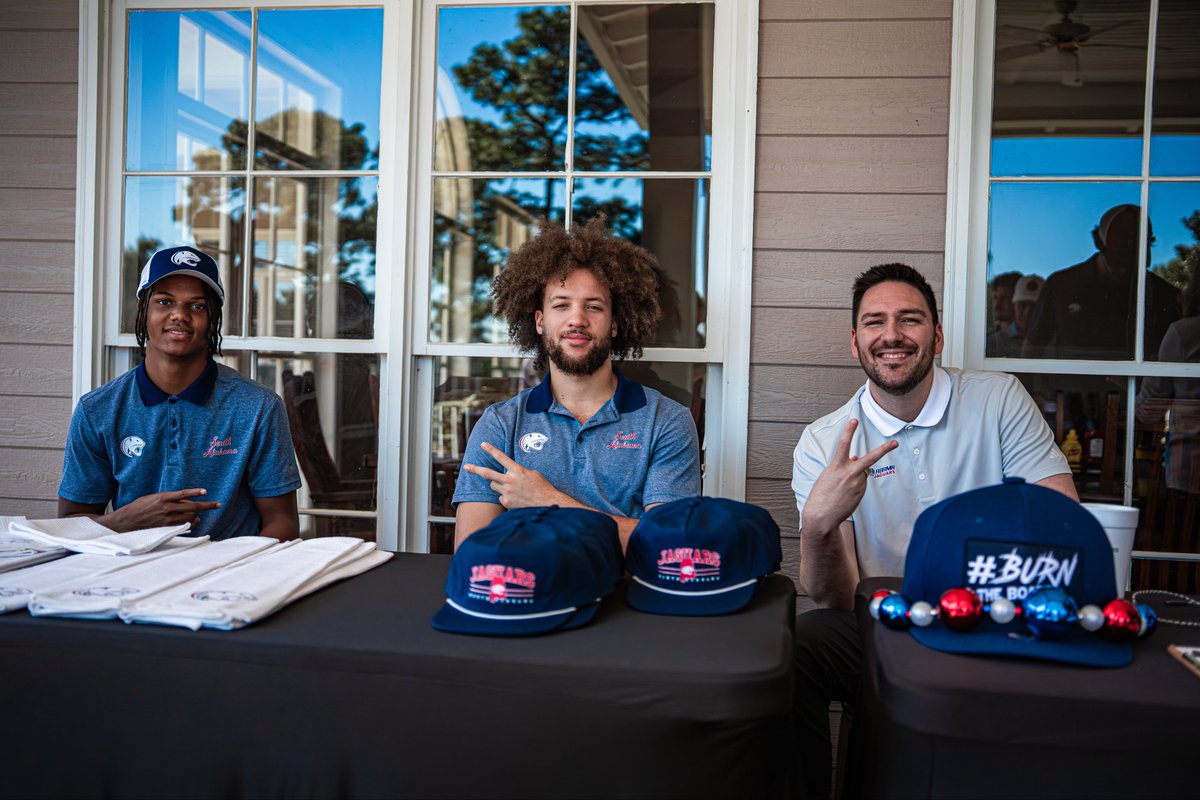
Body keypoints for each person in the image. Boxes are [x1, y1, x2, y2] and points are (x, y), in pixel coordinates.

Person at [791, 263, 1077, 800]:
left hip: (995, 614)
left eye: (910, 319)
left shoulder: (997, 400)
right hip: (885, 624)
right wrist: (819, 524)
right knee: (798, 647)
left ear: (937, 335)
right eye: (874, 322)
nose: (892, 335)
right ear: (856, 343)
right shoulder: (824, 440)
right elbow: (831, 595)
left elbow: (1059, 516)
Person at [452, 217, 701, 550]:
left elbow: (667, 547)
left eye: (594, 307)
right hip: (529, 595)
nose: (577, 320)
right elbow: (471, 553)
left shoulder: (667, 421)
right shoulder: (500, 424)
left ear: (615, 324)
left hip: (630, 598)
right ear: (540, 321)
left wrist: (547, 500)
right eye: (561, 305)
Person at [58, 246, 301, 541]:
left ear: (213, 317)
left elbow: (282, 523)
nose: (180, 315)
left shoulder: (259, 408)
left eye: (197, 306)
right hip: (130, 573)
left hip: (230, 575)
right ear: (142, 309)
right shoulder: (97, 410)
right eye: (164, 301)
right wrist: (126, 520)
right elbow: (70, 523)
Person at [1023, 204, 1180, 360]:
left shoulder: (1164, 295)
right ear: (1100, 245)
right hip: (1070, 385)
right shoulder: (1061, 286)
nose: (1125, 269)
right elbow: (1033, 346)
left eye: (1136, 261)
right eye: (1118, 259)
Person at [986, 273, 1044, 357]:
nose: (997, 305)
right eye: (995, 297)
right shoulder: (989, 341)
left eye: (1004, 298)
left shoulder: (1053, 340)